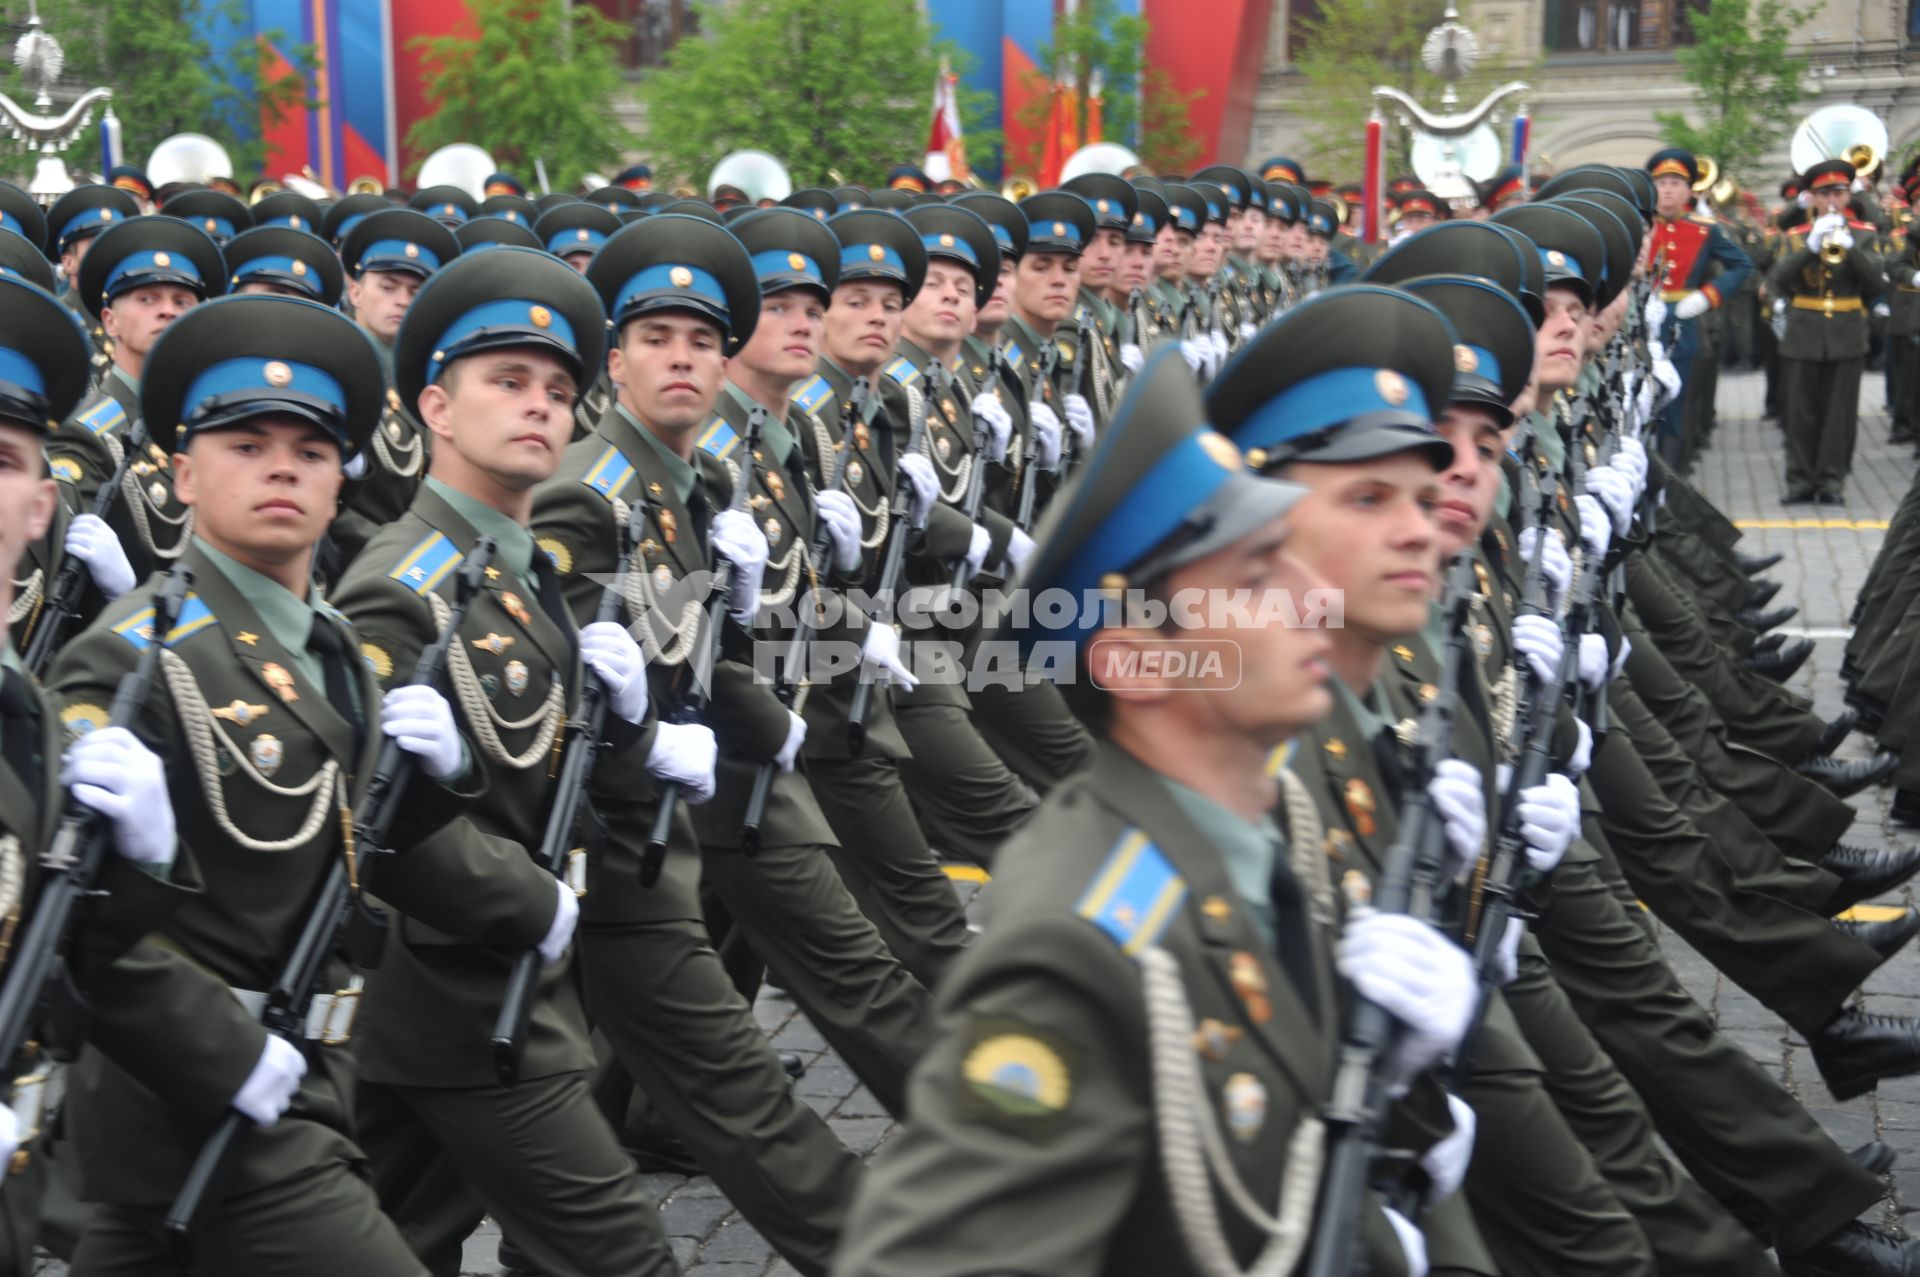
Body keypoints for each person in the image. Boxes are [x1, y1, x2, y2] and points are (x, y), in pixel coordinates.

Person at [837, 349, 1465, 1277]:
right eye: (1256, 579)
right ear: (1136, 660)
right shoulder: (1084, 935)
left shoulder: (1239, 845)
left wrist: (1399, 1094)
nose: (1312, 599)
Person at [50, 293, 457, 1275]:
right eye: (246, 442)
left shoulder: (338, 649)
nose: (283, 464)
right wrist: (230, 1059)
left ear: (340, 480)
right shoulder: (134, 659)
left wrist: (445, 776)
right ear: (183, 472)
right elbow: (74, 925)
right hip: (197, 1087)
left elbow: (350, 839)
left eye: (311, 450)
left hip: (304, 1067)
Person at [329, 248, 684, 1277]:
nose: (540, 406)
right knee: (623, 1252)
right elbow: (371, 813)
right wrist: (527, 899)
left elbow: (537, 771)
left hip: (490, 986)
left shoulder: (515, 572)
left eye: (560, 390)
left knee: (405, 1233)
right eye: (508, 382)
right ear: (436, 406)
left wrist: (628, 725)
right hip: (460, 988)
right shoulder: (408, 583)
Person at [529, 210, 866, 1277]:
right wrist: (650, 745)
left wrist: (772, 718)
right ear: (615, 358)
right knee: (732, 1091)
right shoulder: (592, 493)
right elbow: (556, 707)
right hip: (575, 852)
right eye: (657, 339)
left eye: (701, 342)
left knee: (461, 1166)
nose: (682, 359)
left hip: (637, 840)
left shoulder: (690, 486)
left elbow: (693, 650)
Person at [47, 215, 225, 585]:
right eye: (147, 299)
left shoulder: (216, 421)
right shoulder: (90, 435)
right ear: (110, 322)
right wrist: (124, 596)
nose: (168, 311)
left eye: (182, 301)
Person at [330, 208, 461, 571]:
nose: (402, 300)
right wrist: (400, 555)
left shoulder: (434, 377)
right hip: (364, 563)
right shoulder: (335, 371)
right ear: (355, 291)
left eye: (415, 291)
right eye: (388, 287)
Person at [1768, 158, 1886, 504]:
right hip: (1804, 330)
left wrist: (1851, 252)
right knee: (1800, 411)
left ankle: (1831, 481)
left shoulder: (1864, 235)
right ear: (1813, 198)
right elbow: (1776, 280)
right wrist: (1810, 248)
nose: (1833, 199)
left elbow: (1877, 283)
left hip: (1847, 331)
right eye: (1825, 193)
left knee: (1840, 413)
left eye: (1839, 192)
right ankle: (1800, 480)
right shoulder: (1796, 237)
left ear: (1848, 196)